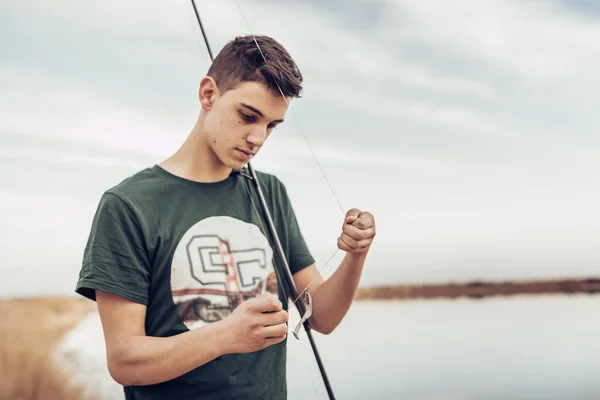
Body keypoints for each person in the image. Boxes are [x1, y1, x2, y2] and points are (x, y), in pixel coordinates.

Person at [75, 34, 376, 399]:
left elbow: (323, 317)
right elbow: (124, 361)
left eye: (271, 126)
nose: (257, 137)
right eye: (248, 116)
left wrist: (355, 255)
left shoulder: (270, 193)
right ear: (208, 94)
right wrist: (225, 337)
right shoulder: (127, 205)